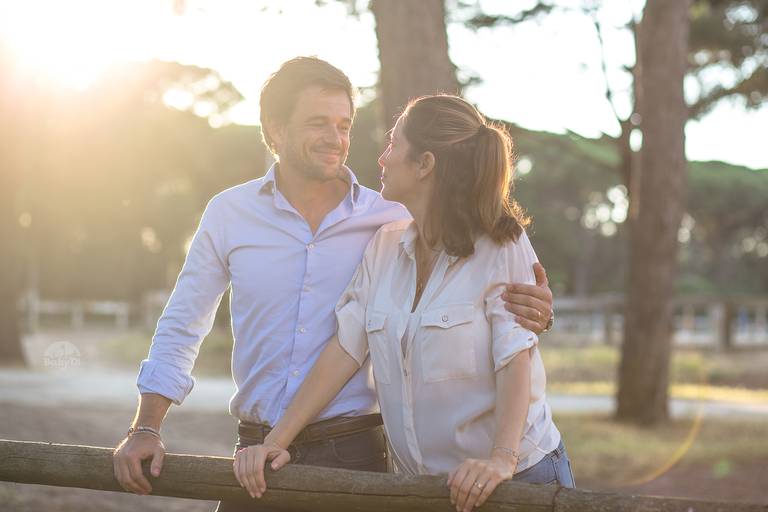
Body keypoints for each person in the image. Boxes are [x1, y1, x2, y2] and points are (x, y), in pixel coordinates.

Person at [111, 58, 555, 512]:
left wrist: (537, 308)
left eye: (344, 124)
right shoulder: (233, 215)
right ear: (275, 129)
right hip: (258, 452)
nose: (337, 139)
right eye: (318, 123)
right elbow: (185, 321)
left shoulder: (392, 217)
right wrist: (146, 426)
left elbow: (491, 273)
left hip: (358, 453)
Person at [235, 95, 574, 512]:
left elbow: (514, 359)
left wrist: (500, 461)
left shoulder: (502, 245)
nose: (381, 158)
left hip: (516, 480)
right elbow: (345, 348)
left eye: (393, 145)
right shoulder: (384, 246)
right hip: (425, 490)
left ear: (425, 164)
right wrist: (276, 442)